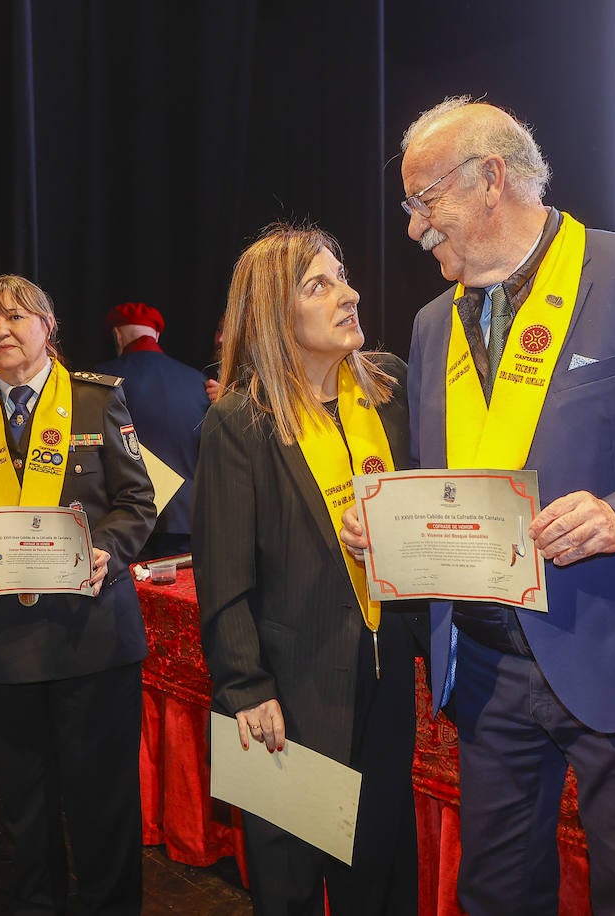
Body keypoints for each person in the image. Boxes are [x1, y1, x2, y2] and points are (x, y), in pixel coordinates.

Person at [341, 98, 615, 914]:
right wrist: (388, 527)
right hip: (486, 665)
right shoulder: (433, 323)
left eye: (423, 201)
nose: (413, 228)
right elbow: (451, 475)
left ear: (491, 179)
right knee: (495, 894)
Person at [193, 225, 429, 915]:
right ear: (274, 311)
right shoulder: (240, 421)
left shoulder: (389, 389)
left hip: (384, 680)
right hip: (289, 701)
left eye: (343, 275)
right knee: (291, 886)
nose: (348, 294)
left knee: (379, 877)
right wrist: (245, 687)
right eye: (319, 285)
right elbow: (223, 574)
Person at [0, 274, 155, 914]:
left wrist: (105, 555)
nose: (0, 330)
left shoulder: (96, 402)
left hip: (92, 637)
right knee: (25, 807)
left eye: (16, 316)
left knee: (102, 805)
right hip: (7, 645)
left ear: (47, 327)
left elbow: (136, 502)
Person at [95, 301, 210, 557]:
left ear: (117, 335)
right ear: (156, 334)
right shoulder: (200, 383)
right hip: (185, 521)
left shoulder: (101, 380)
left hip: (124, 521)